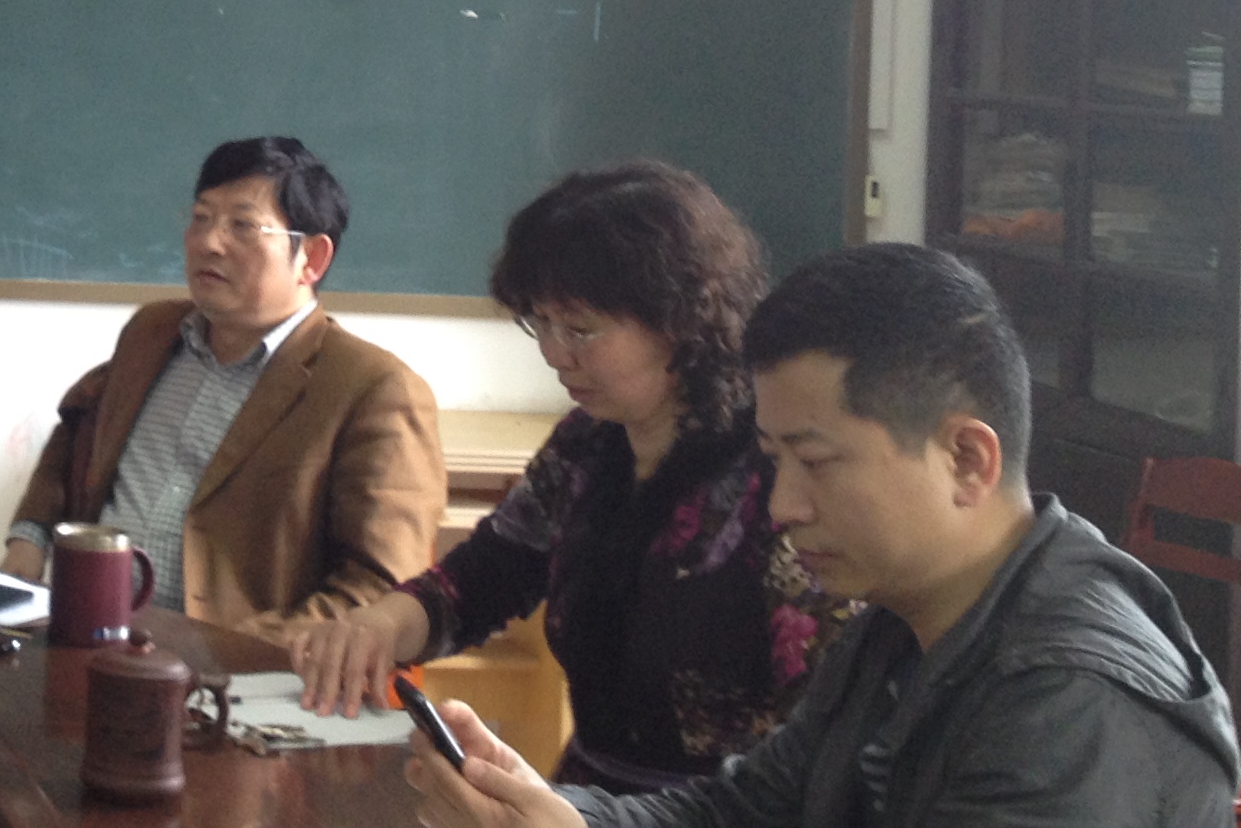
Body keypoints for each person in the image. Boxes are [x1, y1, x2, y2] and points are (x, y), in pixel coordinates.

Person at [400, 243, 1241, 828]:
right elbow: (739, 826)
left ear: (967, 460)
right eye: (773, 460)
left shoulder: (1074, 694)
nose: (782, 506)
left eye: (816, 462)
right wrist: (548, 815)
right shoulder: (906, 614)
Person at [290, 161, 857, 786]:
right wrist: (385, 623)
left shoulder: (775, 470)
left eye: (581, 330)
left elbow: (820, 739)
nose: (554, 353)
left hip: (729, 822)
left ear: (681, 321)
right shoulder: (589, 442)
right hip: (586, 801)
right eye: (541, 323)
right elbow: (487, 574)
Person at [0, 136, 445, 639]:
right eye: (201, 218)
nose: (209, 242)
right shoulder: (151, 333)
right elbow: (78, 433)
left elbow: (380, 589)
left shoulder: (374, 390)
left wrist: (223, 652)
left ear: (312, 258)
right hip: (88, 636)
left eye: (242, 225)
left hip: (237, 672)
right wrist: (29, 539)